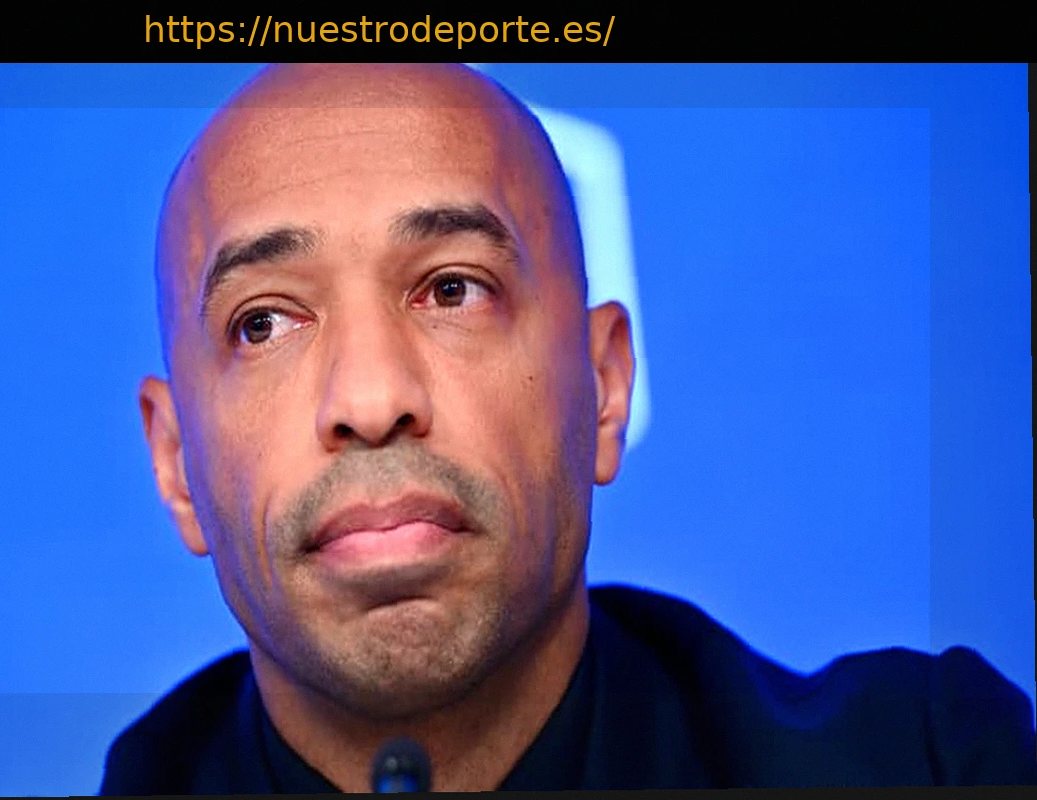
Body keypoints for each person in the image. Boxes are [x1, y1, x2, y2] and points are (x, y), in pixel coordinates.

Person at [100, 63, 1036, 793]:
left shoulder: (931, 764)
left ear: (605, 388)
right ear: (175, 464)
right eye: (263, 322)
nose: (373, 399)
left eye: (453, 290)